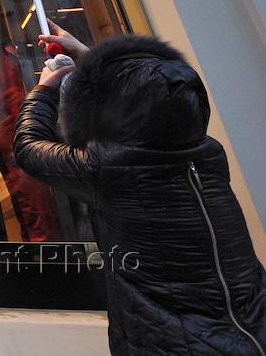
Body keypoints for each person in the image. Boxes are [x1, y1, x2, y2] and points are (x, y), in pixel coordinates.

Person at [14, 20, 266, 355]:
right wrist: (89, 61)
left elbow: (29, 147)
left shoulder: (109, 168)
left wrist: (44, 91)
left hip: (175, 344)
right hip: (255, 329)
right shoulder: (208, 153)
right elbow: (155, 99)